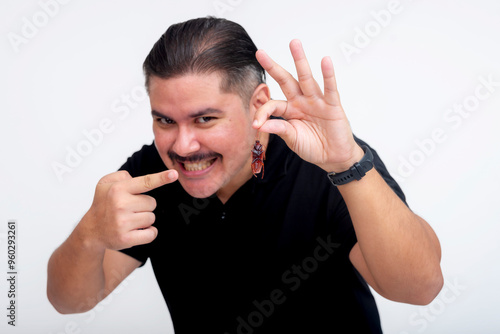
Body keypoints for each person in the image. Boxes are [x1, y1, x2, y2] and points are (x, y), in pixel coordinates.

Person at [47, 17, 443, 333]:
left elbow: (420, 289)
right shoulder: (149, 175)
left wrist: (347, 166)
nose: (183, 146)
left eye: (205, 119)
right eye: (165, 120)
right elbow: (70, 301)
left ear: (258, 105)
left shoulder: (329, 161)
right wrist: (89, 234)